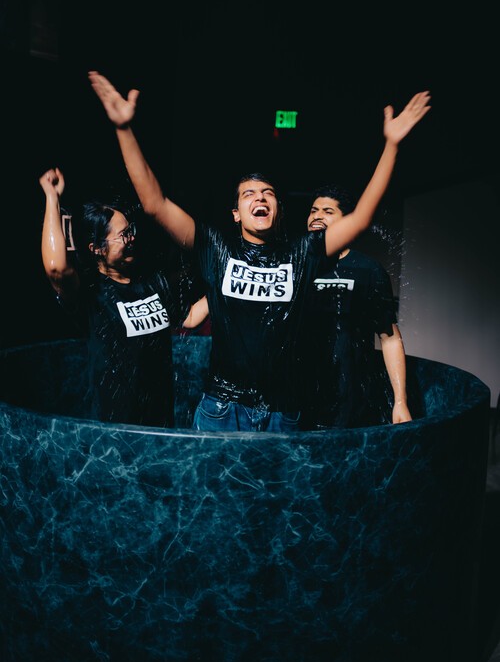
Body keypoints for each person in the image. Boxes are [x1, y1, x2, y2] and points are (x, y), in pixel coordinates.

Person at [88, 69, 430, 432]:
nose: (260, 198)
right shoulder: (215, 249)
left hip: (283, 413)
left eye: (268, 193)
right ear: (236, 213)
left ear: (278, 209)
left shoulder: (303, 254)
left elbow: (360, 219)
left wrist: (391, 146)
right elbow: (155, 204)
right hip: (222, 410)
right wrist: (124, 129)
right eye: (249, 194)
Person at [39, 166, 189, 428]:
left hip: (160, 425)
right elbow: (56, 269)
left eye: (131, 231)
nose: (131, 239)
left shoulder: (150, 282)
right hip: (115, 431)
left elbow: (188, 318)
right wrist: (52, 198)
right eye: (123, 235)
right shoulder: (92, 293)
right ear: (97, 248)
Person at [301, 184, 412, 430]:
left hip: (351, 402)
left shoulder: (368, 270)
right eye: (313, 210)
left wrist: (400, 401)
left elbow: (390, 337)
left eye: (328, 211)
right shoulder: (295, 265)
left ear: (347, 221)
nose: (317, 216)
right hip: (298, 402)